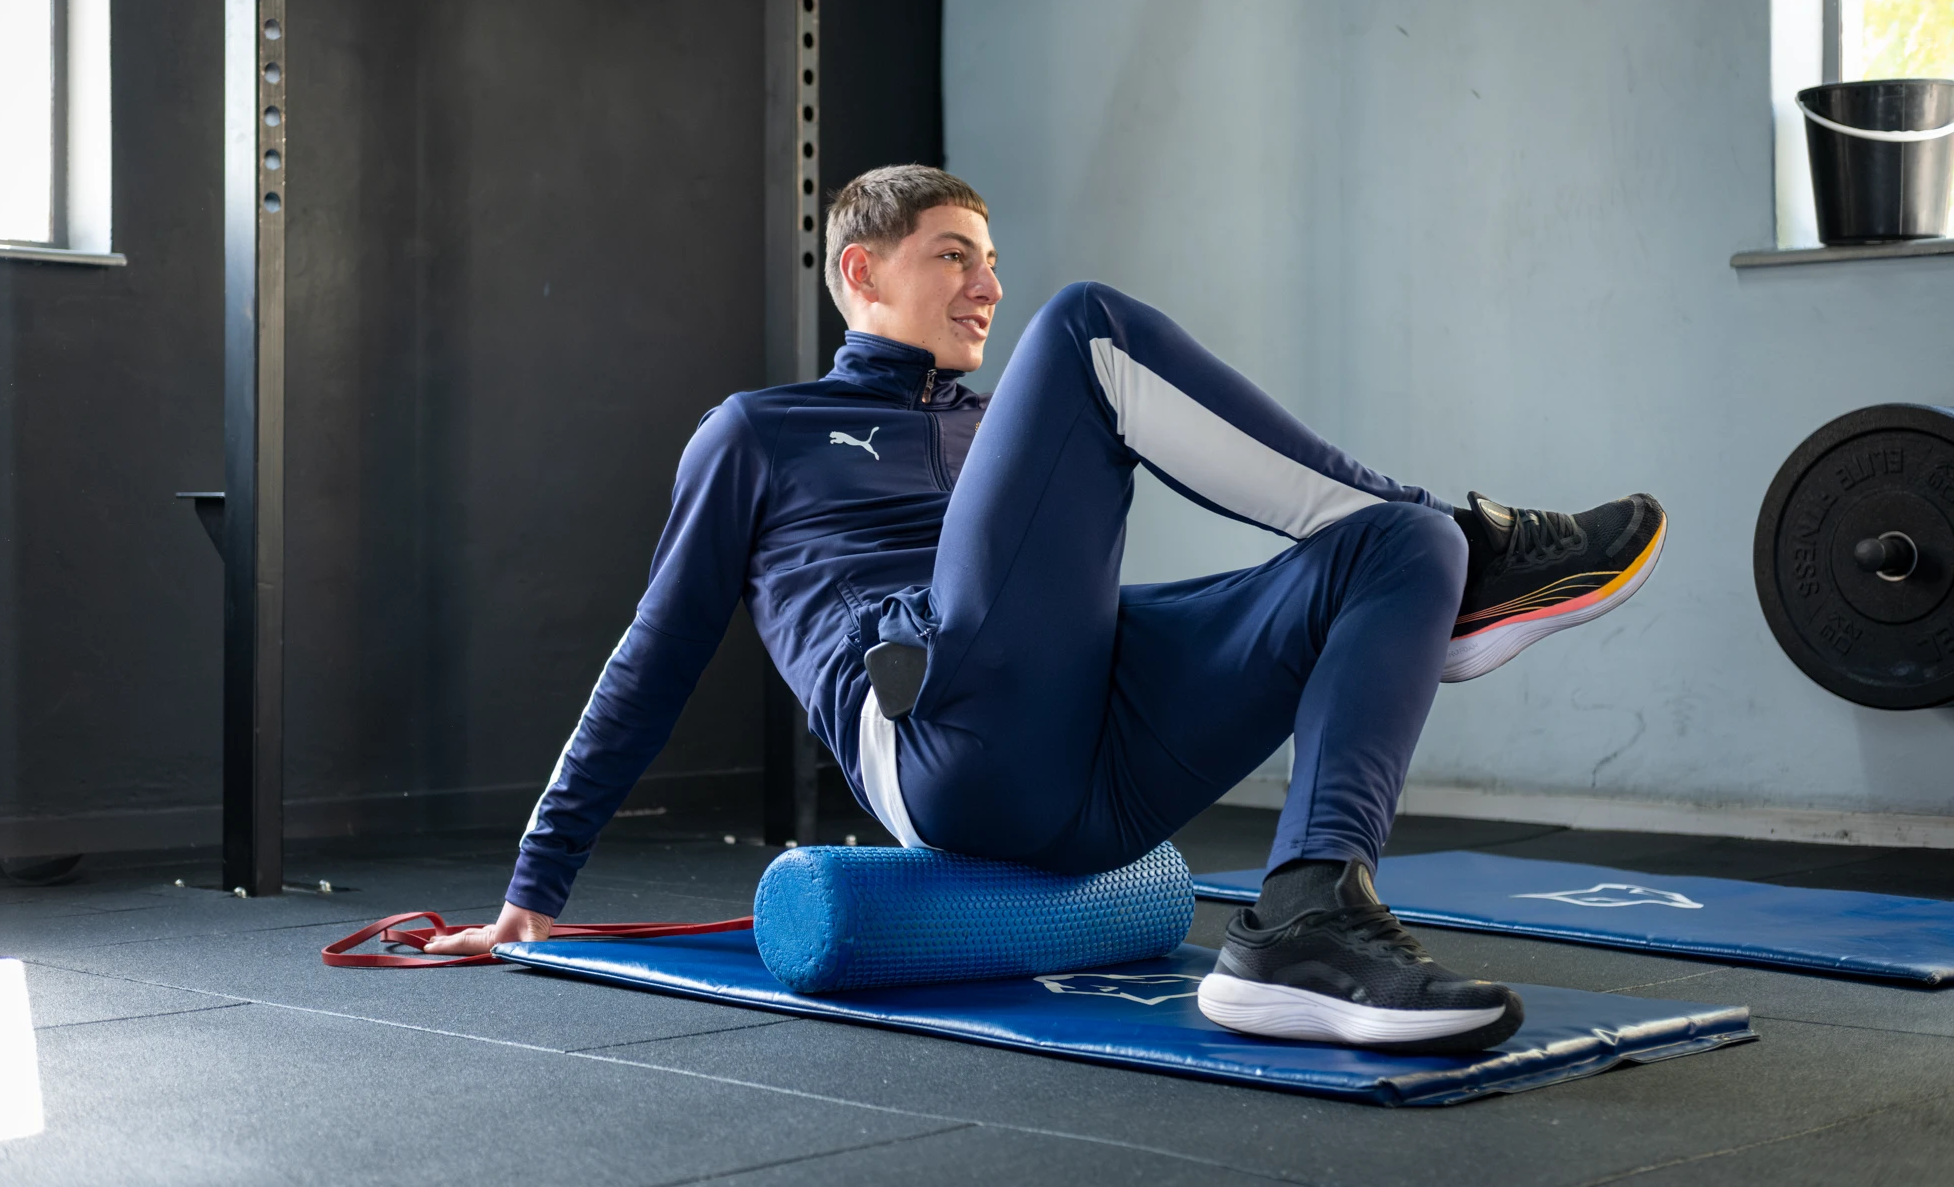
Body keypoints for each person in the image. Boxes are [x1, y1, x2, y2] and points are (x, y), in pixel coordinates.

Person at [426, 166, 1666, 1053]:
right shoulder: (761, 432)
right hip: (943, 743)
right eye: (952, 256)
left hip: (1099, 775)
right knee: (1087, 327)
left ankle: (1308, 912)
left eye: (989, 261)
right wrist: (538, 885)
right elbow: (655, 653)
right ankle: (1475, 545)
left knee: (1384, 550)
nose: (984, 286)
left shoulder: (1003, 432)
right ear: (859, 272)